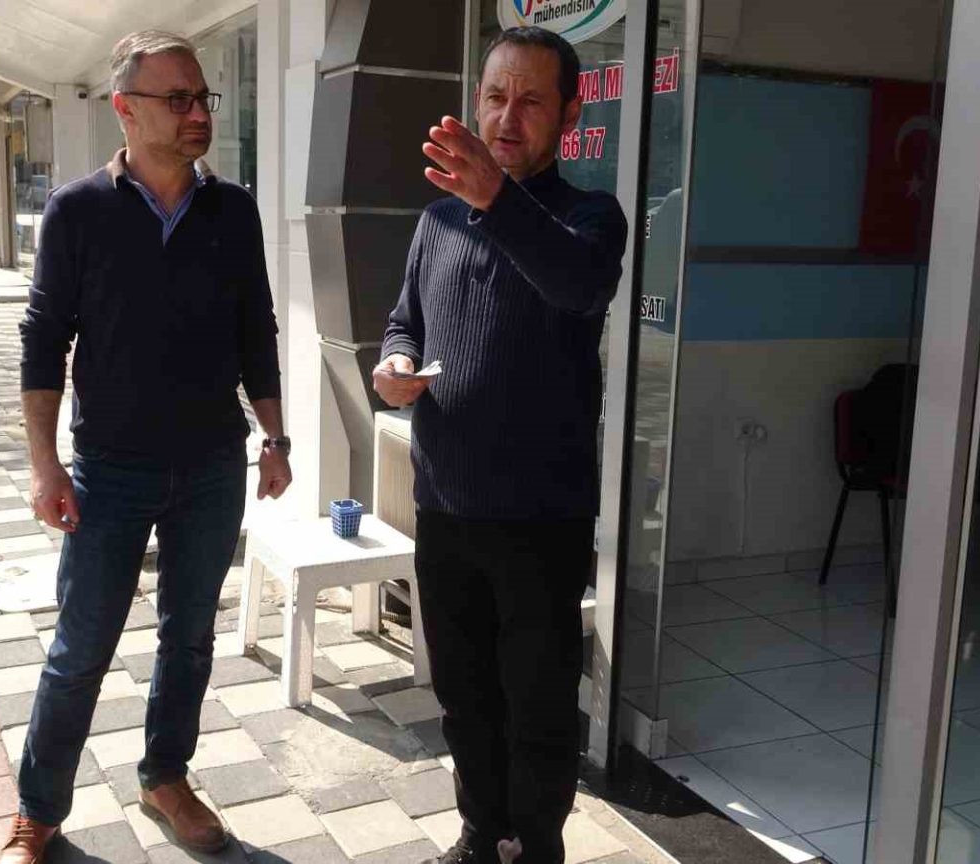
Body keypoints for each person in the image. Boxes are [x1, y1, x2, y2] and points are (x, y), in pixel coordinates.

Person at [4, 29, 291, 864]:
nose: (199, 113)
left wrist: (274, 437)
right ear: (125, 109)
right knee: (80, 649)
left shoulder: (232, 211)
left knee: (190, 637)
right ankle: (37, 814)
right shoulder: (78, 211)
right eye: (179, 99)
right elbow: (43, 340)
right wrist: (45, 465)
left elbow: (257, 331)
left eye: (203, 97)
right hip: (109, 471)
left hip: (211, 467)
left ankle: (166, 777)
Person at [372, 26, 628, 864]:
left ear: (570, 116)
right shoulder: (438, 217)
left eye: (530, 101)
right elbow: (405, 319)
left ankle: (538, 847)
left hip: (541, 518)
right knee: (464, 697)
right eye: (493, 96)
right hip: (445, 503)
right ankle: (481, 836)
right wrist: (395, 362)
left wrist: (497, 201)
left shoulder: (590, 217)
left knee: (540, 707)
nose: (506, 117)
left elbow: (577, 285)